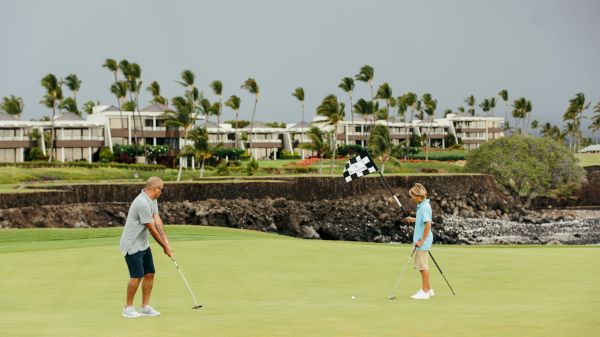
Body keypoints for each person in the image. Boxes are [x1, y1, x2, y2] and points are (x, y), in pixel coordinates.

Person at [119, 176, 172, 318]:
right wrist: (164, 247)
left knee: (149, 274)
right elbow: (151, 229)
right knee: (136, 276)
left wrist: (166, 241)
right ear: (155, 188)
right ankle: (128, 308)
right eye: (162, 190)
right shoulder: (141, 203)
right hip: (131, 244)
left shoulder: (152, 200)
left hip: (143, 244)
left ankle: (145, 306)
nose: (162, 192)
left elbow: (157, 220)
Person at [405, 183, 434, 300]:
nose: (411, 198)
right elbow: (423, 220)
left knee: (423, 267)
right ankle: (429, 289)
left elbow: (428, 224)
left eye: (412, 196)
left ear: (418, 195)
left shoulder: (424, 207)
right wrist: (414, 219)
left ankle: (425, 292)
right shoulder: (423, 205)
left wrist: (422, 241)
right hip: (421, 240)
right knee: (422, 266)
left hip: (422, 241)